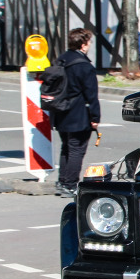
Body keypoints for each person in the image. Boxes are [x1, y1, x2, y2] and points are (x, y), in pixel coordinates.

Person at [51, 28, 100, 196]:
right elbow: (91, 94)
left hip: (60, 111)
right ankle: (70, 184)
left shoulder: (61, 60)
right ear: (83, 44)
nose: (90, 45)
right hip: (78, 113)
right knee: (77, 149)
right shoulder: (83, 65)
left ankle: (62, 182)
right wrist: (95, 117)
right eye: (89, 42)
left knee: (66, 147)